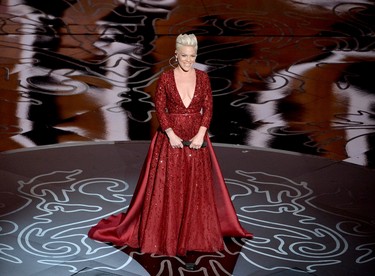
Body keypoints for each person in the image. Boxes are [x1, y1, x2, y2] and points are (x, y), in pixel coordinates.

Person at [88, 33, 253, 256]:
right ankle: (167, 234)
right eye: (184, 55)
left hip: (196, 139)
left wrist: (201, 134)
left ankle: (193, 235)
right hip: (170, 140)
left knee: (194, 187)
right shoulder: (166, 78)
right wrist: (171, 134)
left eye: (192, 56)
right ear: (176, 54)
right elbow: (160, 108)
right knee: (170, 187)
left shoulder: (203, 78)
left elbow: (208, 107)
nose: (188, 60)